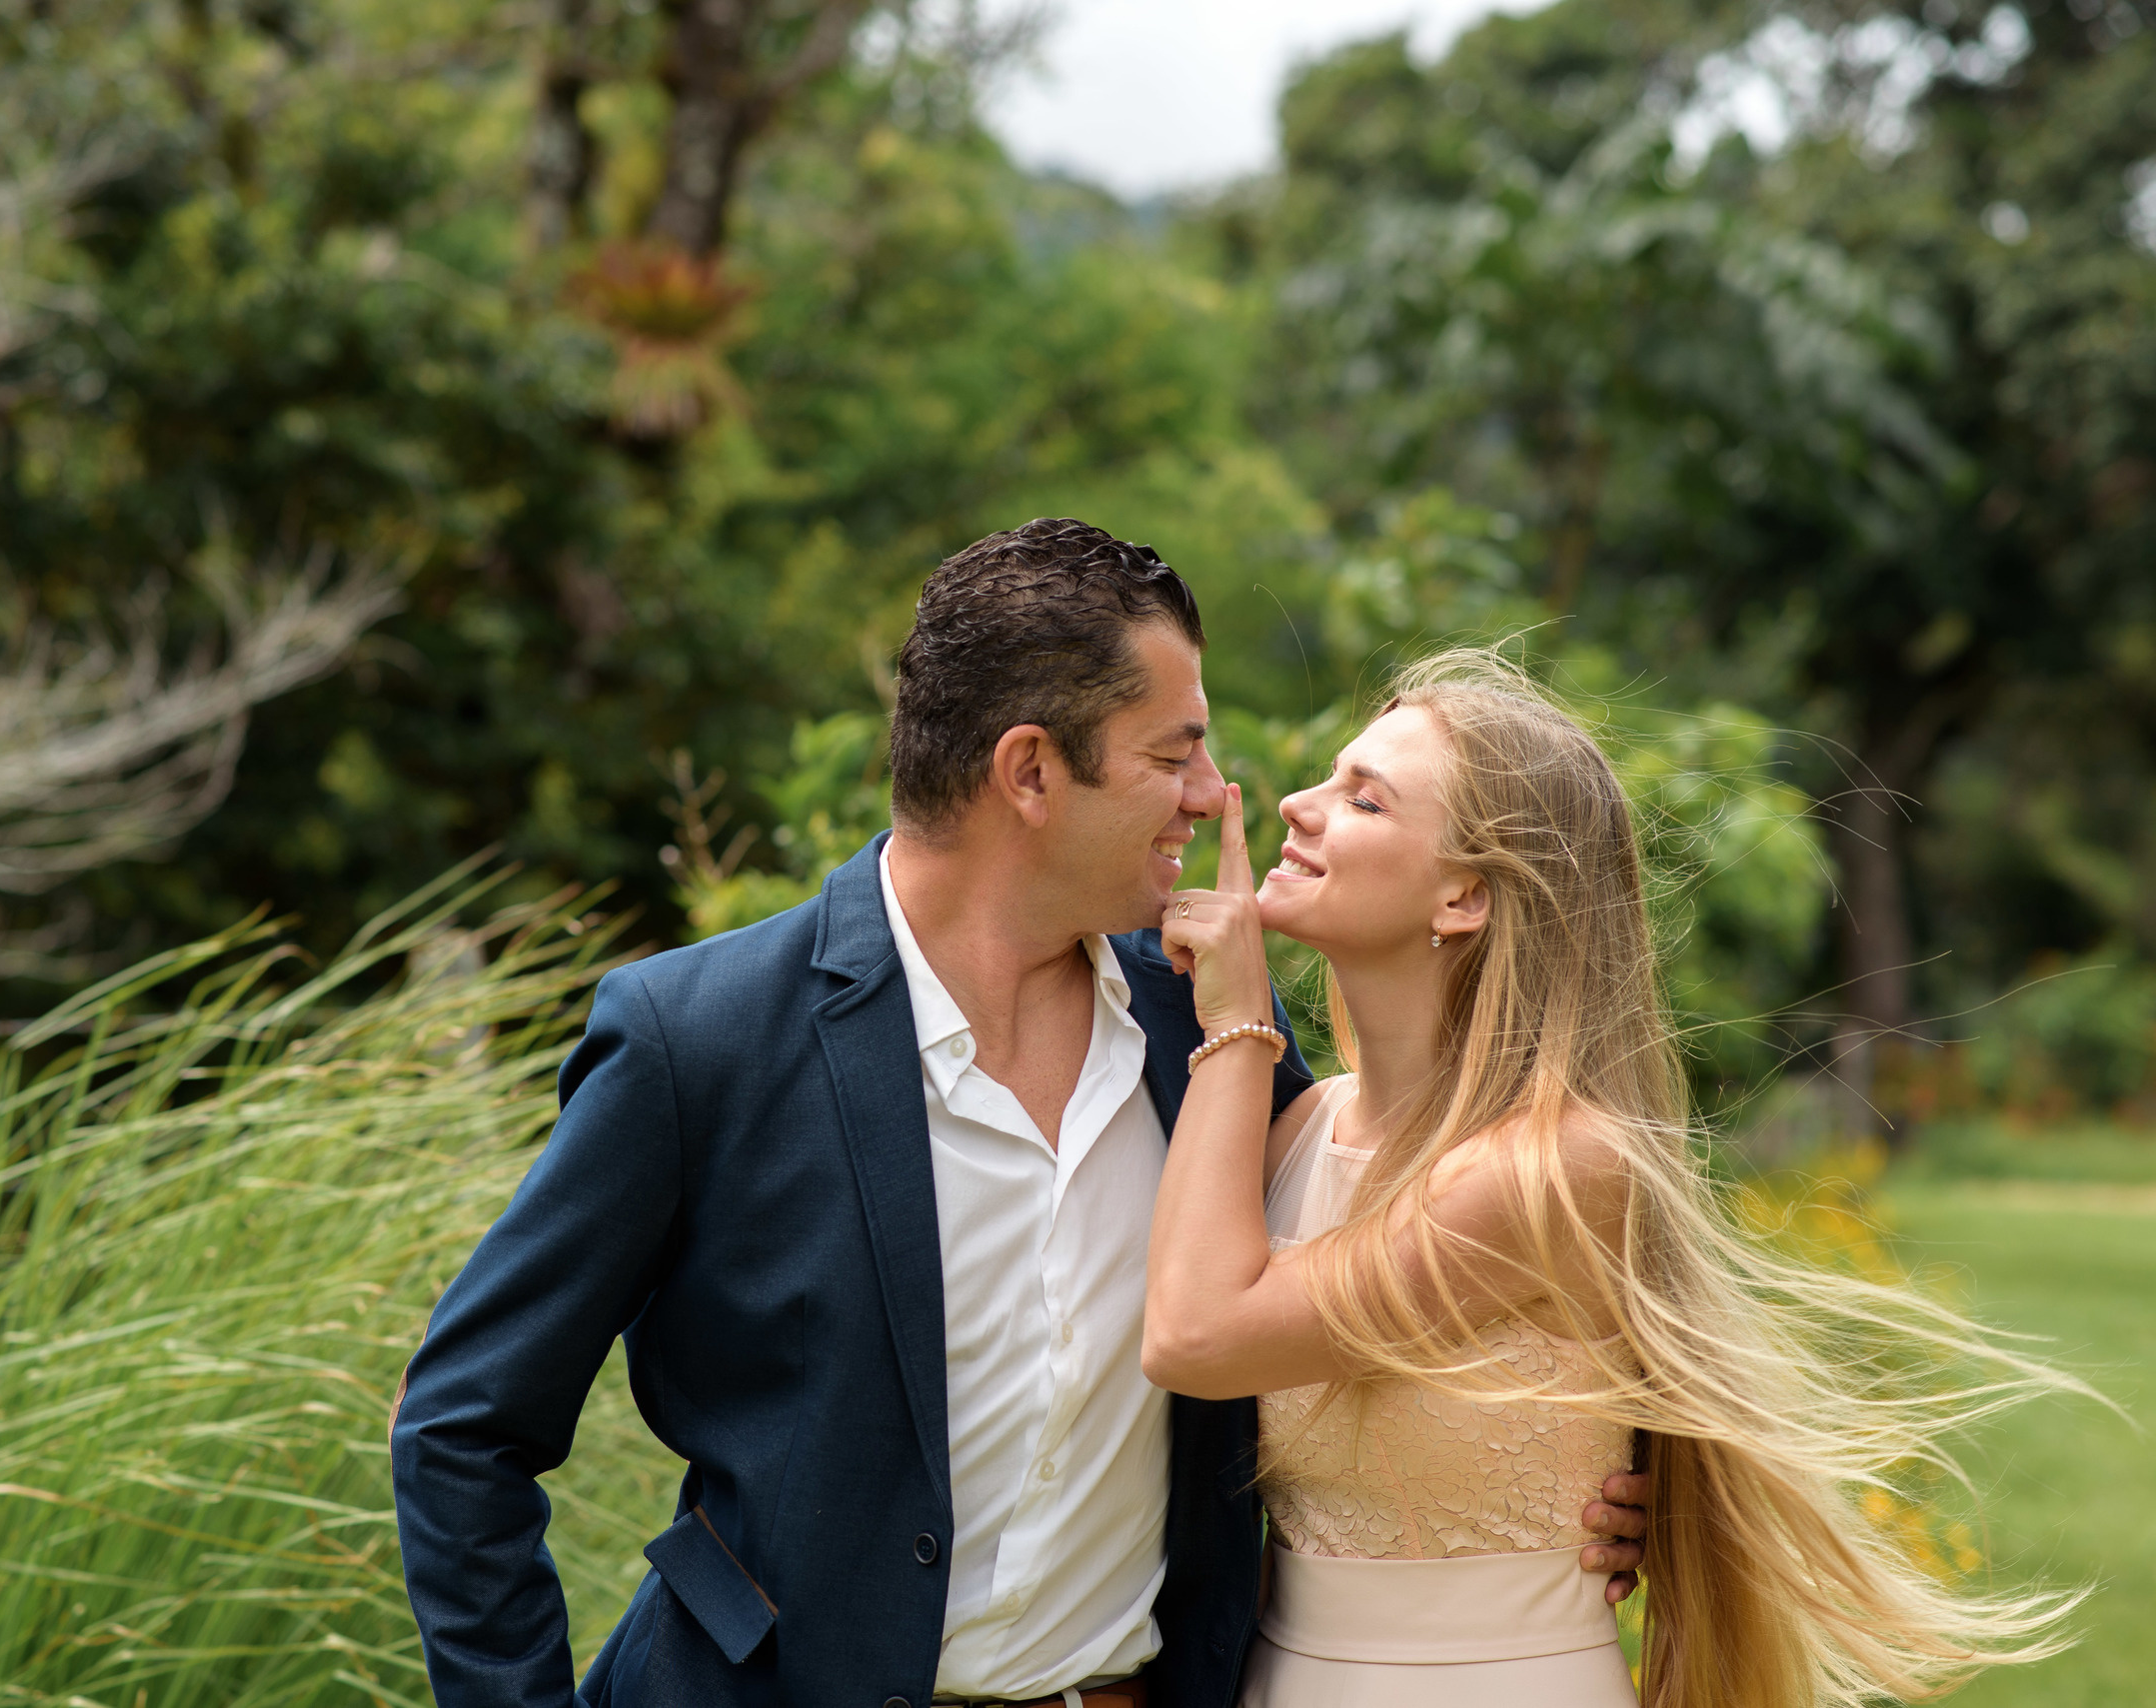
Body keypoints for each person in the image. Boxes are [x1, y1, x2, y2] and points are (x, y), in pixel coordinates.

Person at [390, 527, 1646, 1708]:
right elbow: (462, 1428)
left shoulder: (1210, 1039)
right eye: (1173, 754)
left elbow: (1405, 1280)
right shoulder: (700, 1036)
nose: (1217, 796)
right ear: (1031, 771)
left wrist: (1588, 1485)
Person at [1144, 650, 2088, 1708]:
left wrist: (1235, 1021)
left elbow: (1193, 1335)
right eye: (1329, 777)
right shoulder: (1298, 1129)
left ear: (1462, 894)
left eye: (1362, 797)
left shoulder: (1556, 1163)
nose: (1294, 804)